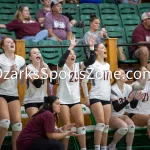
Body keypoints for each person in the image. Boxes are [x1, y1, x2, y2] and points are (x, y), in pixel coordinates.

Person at [57, 35, 96, 150]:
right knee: (67, 127)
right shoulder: (61, 67)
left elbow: (91, 60)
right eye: (70, 54)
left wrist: (92, 47)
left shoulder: (78, 65)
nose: (73, 55)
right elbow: (61, 60)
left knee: (81, 125)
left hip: (75, 100)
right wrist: (70, 47)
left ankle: (83, 148)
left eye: (74, 54)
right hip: (62, 100)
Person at [82, 43, 111, 150]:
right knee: (101, 123)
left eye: (105, 47)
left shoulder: (107, 65)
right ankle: (97, 148)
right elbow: (84, 81)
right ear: (96, 51)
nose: (105, 49)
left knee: (106, 125)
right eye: (102, 48)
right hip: (95, 96)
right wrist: (86, 97)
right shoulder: (92, 65)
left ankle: (104, 147)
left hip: (106, 97)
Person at [108, 68, 146, 150]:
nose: (125, 75)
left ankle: (129, 148)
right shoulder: (112, 89)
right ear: (117, 77)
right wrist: (128, 99)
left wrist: (136, 99)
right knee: (124, 127)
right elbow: (117, 108)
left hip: (121, 115)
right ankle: (112, 145)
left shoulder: (128, 87)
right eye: (122, 74)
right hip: (111, 116)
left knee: (131, 127)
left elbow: (132, 106)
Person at [0, 37, 26, 150]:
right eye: (8, 42)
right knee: (5, 123)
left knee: (17, 125)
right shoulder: (0, 59)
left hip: (13, 93)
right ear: (3, 46)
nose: (11, 43)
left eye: (12, 42)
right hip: (1, 93)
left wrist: (23, 75)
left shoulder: (20, 60)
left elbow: (21, 82)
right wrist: (9, 73)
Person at [23, 48, 56, 118]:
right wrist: (41, 68)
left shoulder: (45, 66)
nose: (37, 54)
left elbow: (53, 81)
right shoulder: (28, 68)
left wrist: (46, 68)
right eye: (34, 53)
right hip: (31, 100)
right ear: (30, 58)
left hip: (43, 99)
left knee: (47, 122)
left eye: (38, 52)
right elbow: (37, 84)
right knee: (36, 122)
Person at [128, 66, 150, 139]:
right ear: (137, 74)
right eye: (144, 71)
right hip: (135, 115)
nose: (147, 72)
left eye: (147, 71)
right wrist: (147, 76)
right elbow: (140, 87)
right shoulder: (133, 85)